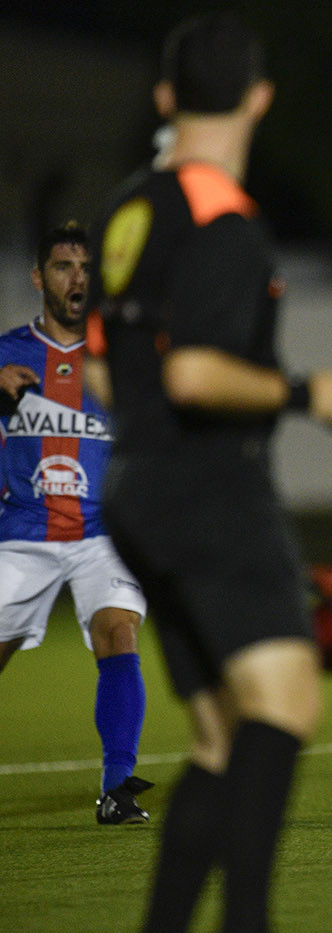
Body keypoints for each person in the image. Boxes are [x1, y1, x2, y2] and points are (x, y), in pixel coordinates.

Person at [86, 14, 332, 931]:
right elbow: (193, 372)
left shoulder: (128, 208)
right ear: (259, 99)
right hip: (207, 487)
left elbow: (97, 366)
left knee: (217, 735)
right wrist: (302, 391)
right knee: (286, 706)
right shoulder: (223, 220)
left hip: (133, 488)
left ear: (165, 98)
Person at [0, 222, 152, 824]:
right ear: (40, 278)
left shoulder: (121, 358)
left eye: (87, 268)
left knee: (118, 631)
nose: (78, 279)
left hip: (103, 535)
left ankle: (117, 789)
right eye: (64, 267)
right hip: (23, 534)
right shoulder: (8, 352)